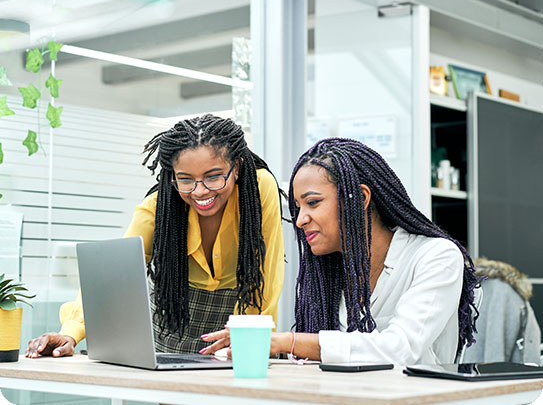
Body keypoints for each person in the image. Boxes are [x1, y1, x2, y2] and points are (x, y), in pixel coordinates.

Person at [26, 114, 285, 357]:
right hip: (175, 316)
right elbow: (113, 275)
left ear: (237, 167)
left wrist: (252, 333)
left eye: (213, 176)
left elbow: (267, 272)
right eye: (185, 179)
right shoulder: (159, 206)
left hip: (239, 317)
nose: (200, 191)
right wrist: (70, 333)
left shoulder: (259, 188)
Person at [202, 137, 479, 364]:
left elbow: (400, 349)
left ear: (359, 198)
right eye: (298, 208)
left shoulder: (436, 256)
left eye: (312, 203)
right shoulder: (331, 269)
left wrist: (288, 341)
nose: (300, 220)